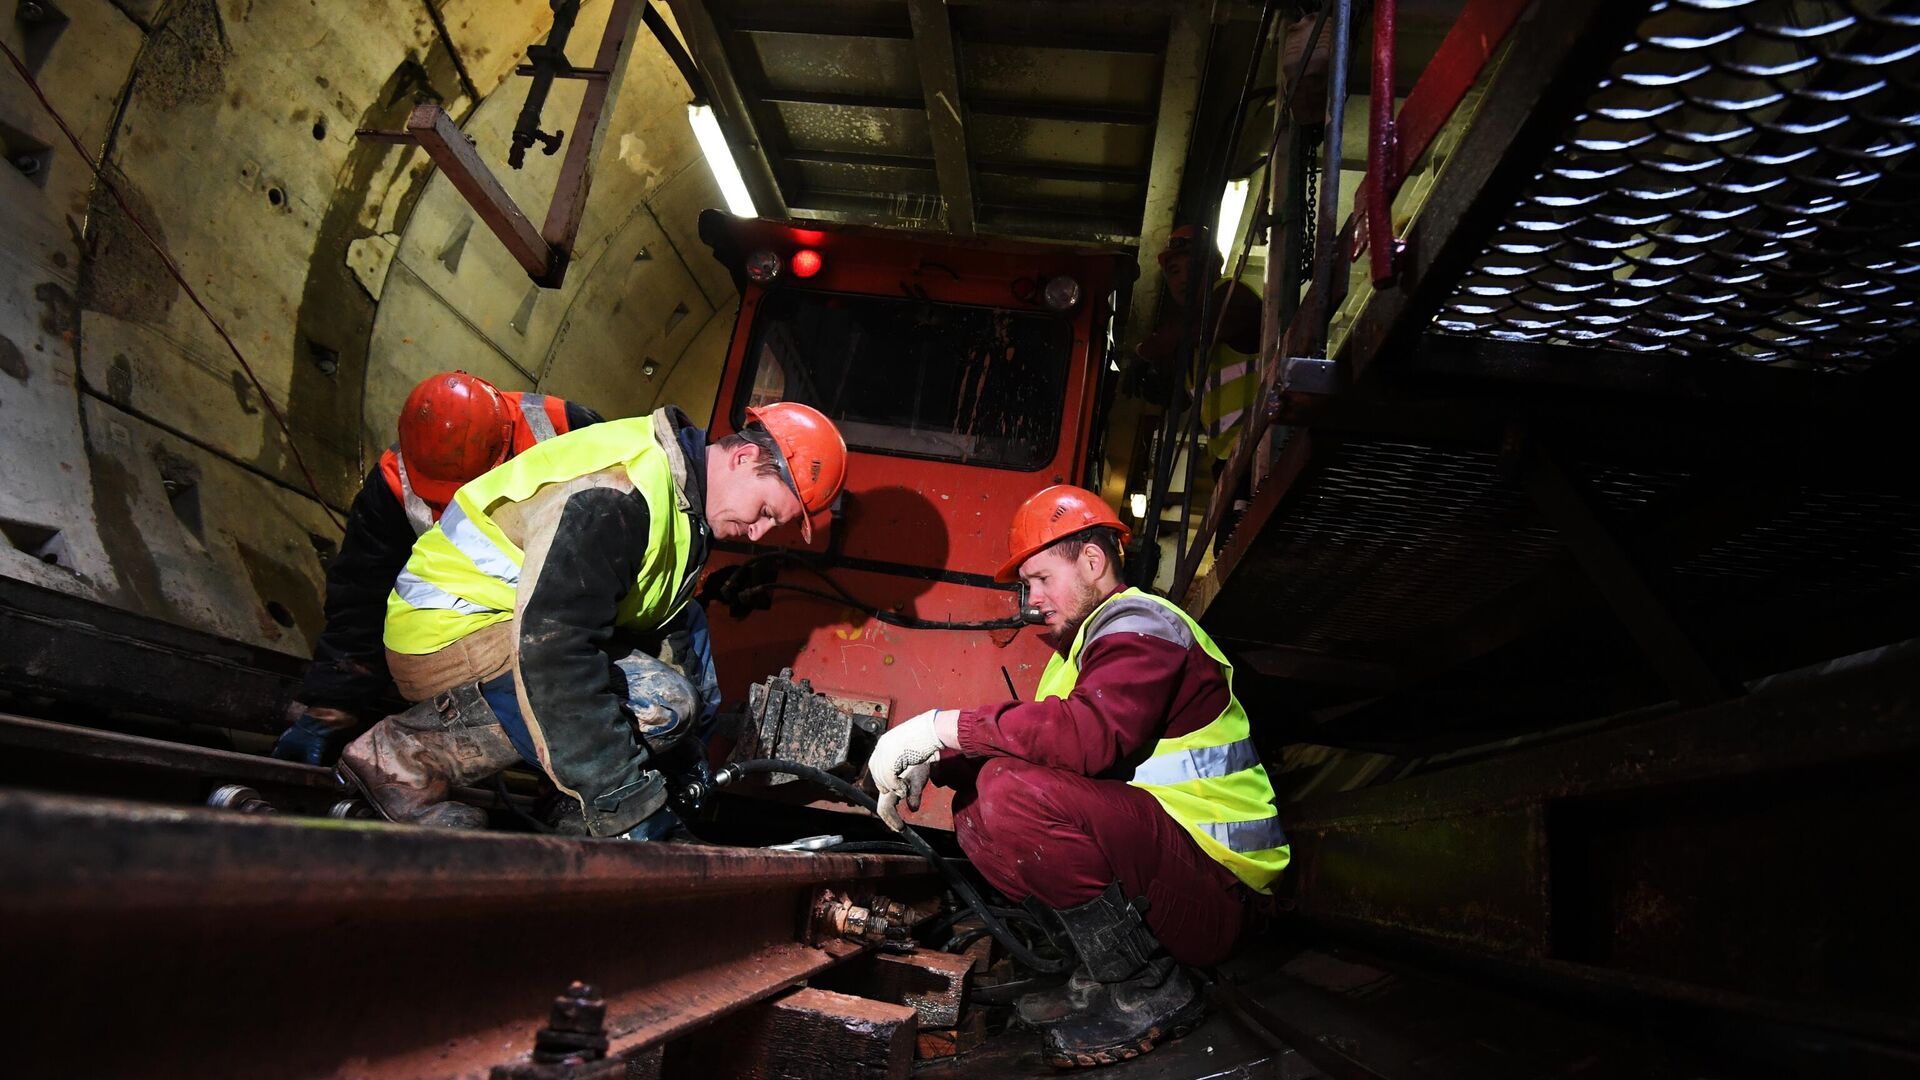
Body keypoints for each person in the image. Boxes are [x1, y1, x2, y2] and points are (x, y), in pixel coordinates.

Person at [864, 485, 1288, 1068]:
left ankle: (1148, 987)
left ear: (1092, 561)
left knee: (1012, 796)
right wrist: (937, 762)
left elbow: (1085, 738)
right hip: (1175, 874)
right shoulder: (1081, 650)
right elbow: (1047, 751)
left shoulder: (1141, 626)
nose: (1032, 598)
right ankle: (1099, 973)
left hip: (1220, 887)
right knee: (977, 806)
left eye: (1041, 579)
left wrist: (944, 727)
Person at [337, 401, 848, 839]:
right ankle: (401, 755)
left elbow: (656, 620)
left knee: (685, 659)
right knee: (660, 705)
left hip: (503, 625)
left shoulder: (681, 502)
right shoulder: (621, 490)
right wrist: (625, 800)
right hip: (447, 628)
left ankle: (568, 814)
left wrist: (680, 764)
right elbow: (554, 649)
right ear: (744, 456)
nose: (757, 534)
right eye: (765, 511)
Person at [274, 372, 603, 765]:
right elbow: (362, 596)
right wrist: (332, 703)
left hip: (585, 605)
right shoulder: (393, 485)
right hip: (486, 628)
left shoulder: (566, 430)